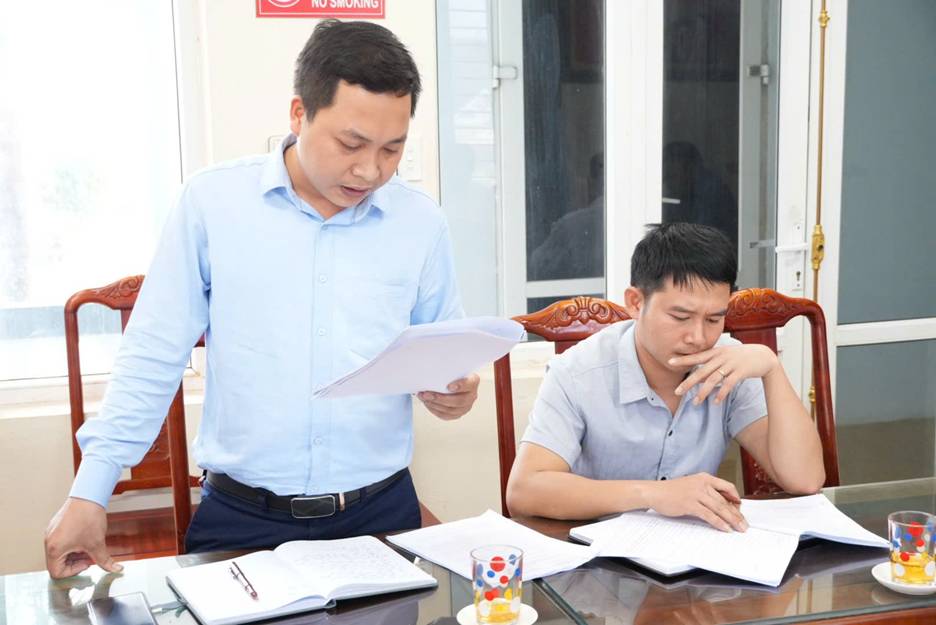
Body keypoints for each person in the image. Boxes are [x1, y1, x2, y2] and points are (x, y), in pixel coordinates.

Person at [44, 20, 480, 579]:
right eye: (351, 144)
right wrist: (90, 492)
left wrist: (454, 391)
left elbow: (443, 352)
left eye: (392, 149)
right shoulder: (213, 203)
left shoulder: (420, 222)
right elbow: (153, 352)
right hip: (243, 519)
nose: (370, 170)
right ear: (299, 115)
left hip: (380, 514)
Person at [506, 223, 824, 530]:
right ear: (636, 303)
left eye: (714, 320)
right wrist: (654, 494)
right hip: (597, 553)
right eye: (680, 317)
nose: (698, 337)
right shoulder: (577, 373)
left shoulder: (729, 364)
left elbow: (805, 480)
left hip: (691, 553)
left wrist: (771, 368)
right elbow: (524, 492)